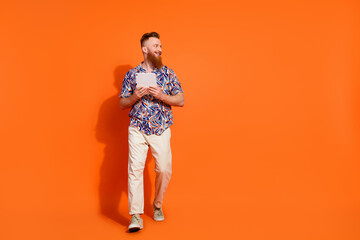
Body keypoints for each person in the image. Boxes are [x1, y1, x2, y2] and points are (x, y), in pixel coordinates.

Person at [119, 32, 184, 232]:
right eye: (155, 45)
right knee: (135, 169)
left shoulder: (168, 73)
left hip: (161, 127)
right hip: (137, 127)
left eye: (160, 46)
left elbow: (181, 100)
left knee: (164, 168)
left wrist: (162, 95)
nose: (159, 49)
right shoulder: (131, 75)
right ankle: (136, 215)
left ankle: (157, 204)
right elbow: (122, 103)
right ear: (144, 49)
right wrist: (134, 97)